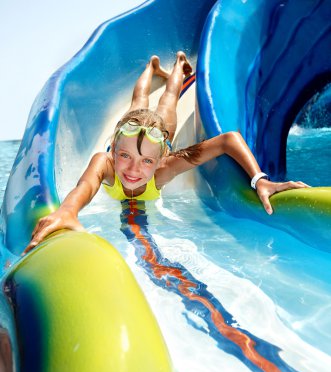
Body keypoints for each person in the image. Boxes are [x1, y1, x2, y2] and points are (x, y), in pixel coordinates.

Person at [24, 51, 308, 253]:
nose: (134, 170)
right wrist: (67, 212)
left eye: (147, 161)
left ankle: (179, 66)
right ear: (115, 149)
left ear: (160, 159)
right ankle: (150, 67)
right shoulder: (105, 163)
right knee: (138, 101)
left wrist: (260, 180)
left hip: (159, 134)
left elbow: (229, 140)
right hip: (137, 131)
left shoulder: (165, 166)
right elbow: (84, 187)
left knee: (168, 102)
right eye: (125, 157)